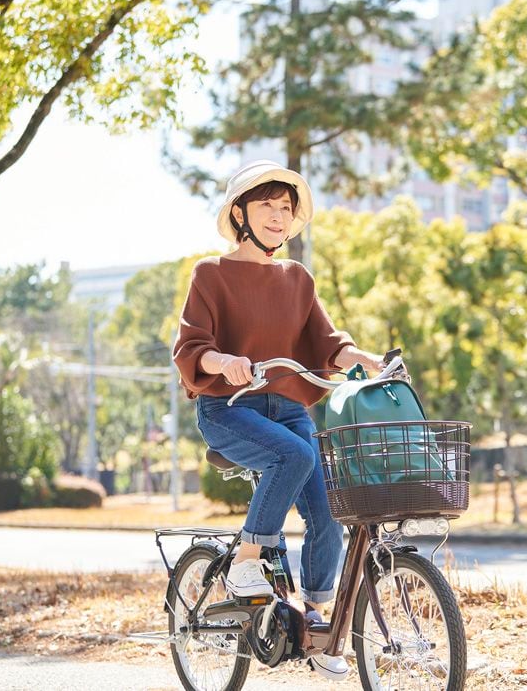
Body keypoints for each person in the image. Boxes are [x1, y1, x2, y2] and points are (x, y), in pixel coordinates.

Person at [172, 160, 384, 680]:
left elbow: (328, 344)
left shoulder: (297, 278)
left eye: (286, 208)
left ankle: (315, 620)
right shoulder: (211, 274)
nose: (278, 216)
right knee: (295, 454)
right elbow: (192, 346)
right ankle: (247, 560)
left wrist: (365, 359)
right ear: (240, 213)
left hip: (288, 407)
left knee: (327, 512)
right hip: (229, 408)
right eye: (266, 205)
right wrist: (225, 362)